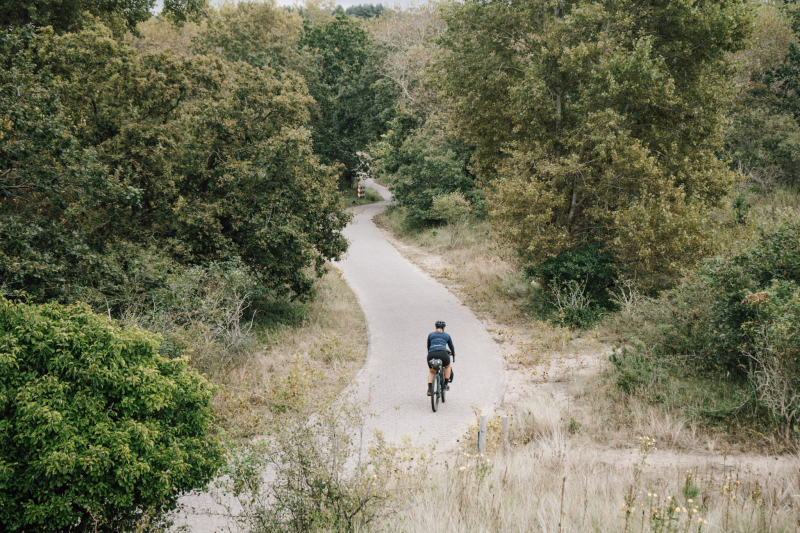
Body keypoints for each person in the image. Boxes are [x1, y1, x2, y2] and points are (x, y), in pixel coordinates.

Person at [427, 320, 454, 396]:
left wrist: (430, 354)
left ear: (435, 327)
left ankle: (429, 389)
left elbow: (428, 347)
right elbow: (451, 346)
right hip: (443, 354)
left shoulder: (430, 335)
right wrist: (453, 353)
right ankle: (445, 385)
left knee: (432, 371)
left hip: (431, 354)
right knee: (448, 366)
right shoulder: (447, 335)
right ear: (444, 328)